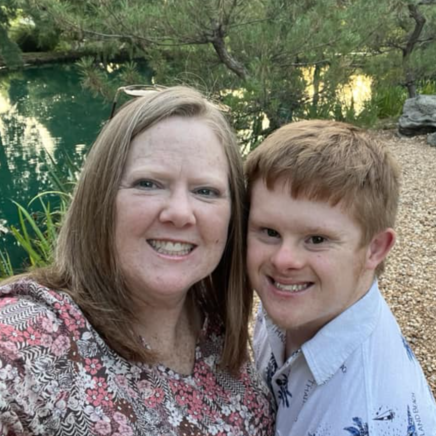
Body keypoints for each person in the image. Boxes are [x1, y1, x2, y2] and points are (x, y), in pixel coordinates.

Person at [0, 86, 274, 436]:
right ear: (100, 199)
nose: (180, 213)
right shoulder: (31, 339)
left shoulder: (217, 326)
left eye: (206, 191)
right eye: (148, 183)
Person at [245, 120, 436, 435]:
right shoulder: (300, 300)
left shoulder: (365, 417)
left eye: (317, 239)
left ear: (375, 248)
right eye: (269, 232)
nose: (283, 260)